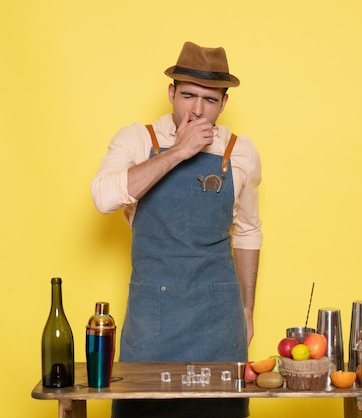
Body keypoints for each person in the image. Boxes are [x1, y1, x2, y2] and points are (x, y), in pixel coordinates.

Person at [91, 41, 263, 418]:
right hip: (153, 324)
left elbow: (248, 231)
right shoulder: (138, 140)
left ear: (224, 103)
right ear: (171, 93)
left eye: (209, 99)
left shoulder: (240, 152)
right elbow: (103, 197)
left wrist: (247, 309)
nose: (197, 110)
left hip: (219, 325)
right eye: (187, 95)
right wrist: (178, 152)